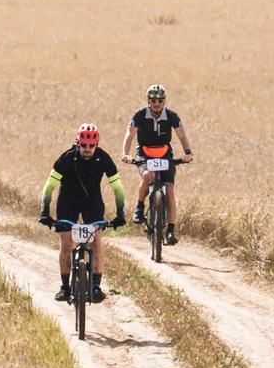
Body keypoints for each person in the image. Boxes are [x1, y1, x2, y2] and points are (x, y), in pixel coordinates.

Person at [41, 123, 125, 301]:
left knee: (96, 242)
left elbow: (117, 187)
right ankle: (65, 288)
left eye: (91, 146)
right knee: (66, 242)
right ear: (78, 143)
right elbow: (49, 186)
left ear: (96, 144)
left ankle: (96, 287)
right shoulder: (67, 158)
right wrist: (44, 212)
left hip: (91, 200)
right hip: (68, 200)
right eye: (84, 145)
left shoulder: (103, 158)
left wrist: (120, 214)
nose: (87, 149)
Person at [121, 83, 195, 246]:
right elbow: (129, 135)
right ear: (148, 100)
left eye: (160, 101)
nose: (157, 104)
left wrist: (188, 152)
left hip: (164, 154)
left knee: (169, 189)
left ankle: (171, 230)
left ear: (164, 101)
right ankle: (139, 208)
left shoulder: (171, 115)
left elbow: (182, 135)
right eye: (153, 100)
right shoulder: (140, 114)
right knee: (147, 176)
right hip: (145, 153)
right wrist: (126, 153)